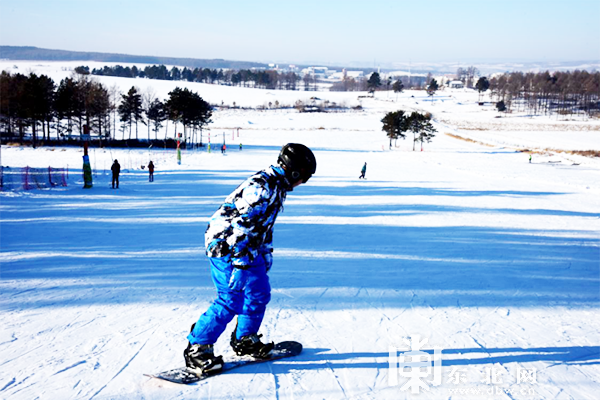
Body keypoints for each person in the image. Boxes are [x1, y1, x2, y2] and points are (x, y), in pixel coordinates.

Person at [184, 143, 317, 374]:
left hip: (247, 248)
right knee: (230, 299)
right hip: (225, 245)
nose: (303, 183)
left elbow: (262, 225)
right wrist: (240, 264)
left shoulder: (277, 186)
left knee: (259, 292)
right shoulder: (261, 189)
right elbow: (241, 227)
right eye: (304, 177)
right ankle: (198, 348)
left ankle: (245, 339)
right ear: (294, 172)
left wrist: (265, 251)